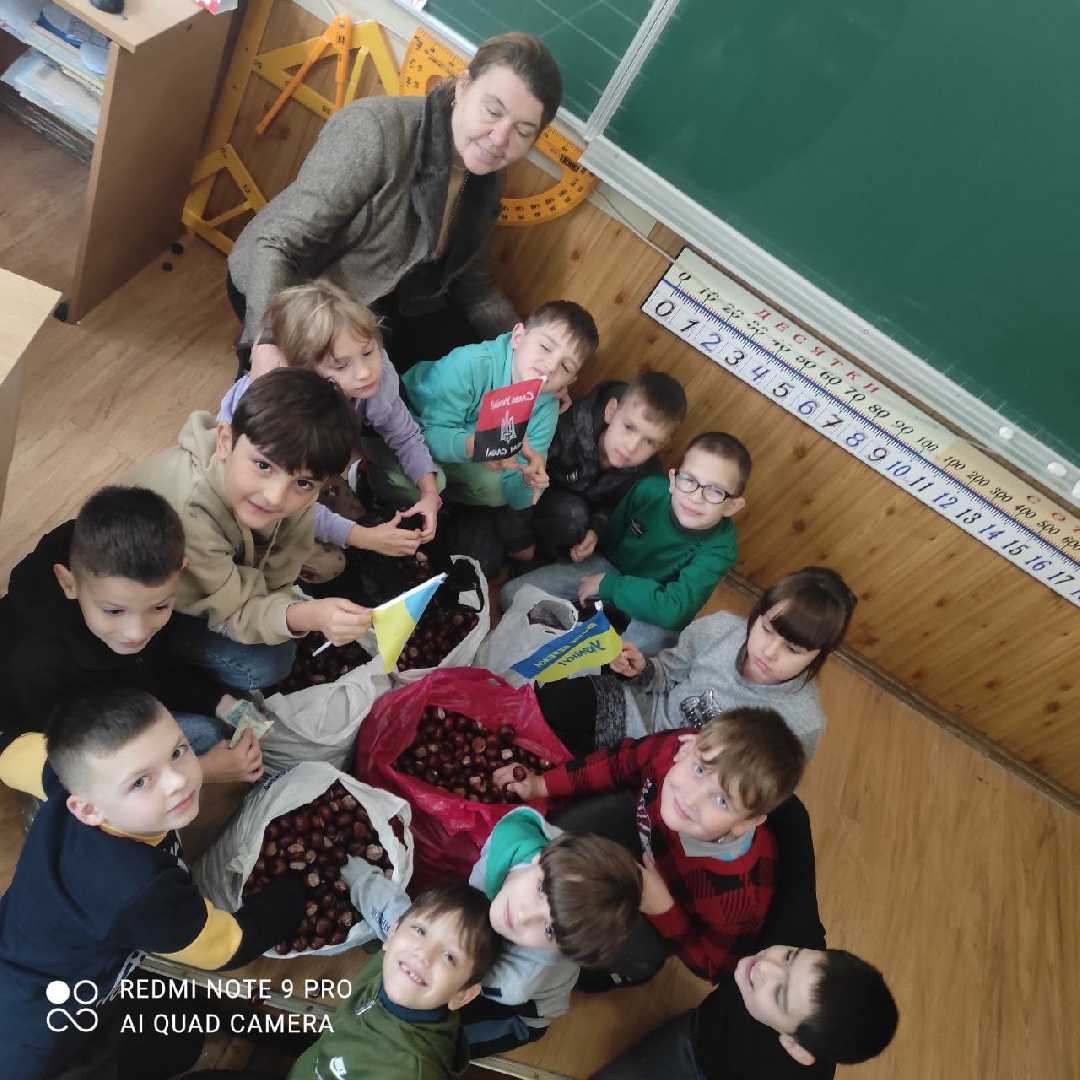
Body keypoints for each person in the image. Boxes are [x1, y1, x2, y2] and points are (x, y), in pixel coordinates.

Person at [0, 688, 306, 1080]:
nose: (178, 781)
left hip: (23, 953)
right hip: (46, 1039)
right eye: (140, 782)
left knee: (171, 1031)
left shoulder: (68, 778)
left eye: (177, 751)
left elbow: (12, 754)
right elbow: (228, 947)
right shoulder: (141, 891)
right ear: (87, 809)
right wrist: (294, 893)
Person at [225, 32, 562, 375]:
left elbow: (475, 289)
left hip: (392, 298)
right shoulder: (375, 130)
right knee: (330, 399)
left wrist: (527, 355)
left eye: (523, 132)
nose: (500, 138)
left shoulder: (488, 176)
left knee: (478, 371)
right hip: (296, 284)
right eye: (492, 111)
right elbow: (276, 244)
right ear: (463, 87)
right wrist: (268, 341)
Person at [590, 798, 899, 1079]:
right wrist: (729, 792)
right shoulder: (796, 929)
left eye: (779, 994)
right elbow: (793, 816)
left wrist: (665, 910)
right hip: (699, 1037)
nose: (765, 966)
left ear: (795, 1047)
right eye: (791, 956)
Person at [499, 708, 805, 985]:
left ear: (746, 823)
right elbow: (618, 762)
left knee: (622, 948)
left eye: (722, 801)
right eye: (699, 770)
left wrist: (662, 907)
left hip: (664, 907)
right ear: (687, 745)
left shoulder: (735, 898)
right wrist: (542, 784)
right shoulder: (671, 750)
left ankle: (620, 973)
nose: (691, 799)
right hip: (637, 831)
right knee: (559, 836)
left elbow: (713, 966)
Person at [122, 368, 372, 691]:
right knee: (268, 663)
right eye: (263, 466)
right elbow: (236, 612)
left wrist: (291, 608)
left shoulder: (295, 497)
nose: (275, 496)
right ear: (225, 441)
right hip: (149, 605)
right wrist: (309, 615)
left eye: (303, 483)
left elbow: (278, 580)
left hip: (217, 575)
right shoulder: (188, 514)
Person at [0, 486, 262, 784]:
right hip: (41, 726)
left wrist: (220, 702)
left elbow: (155, 666)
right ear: (69, 584)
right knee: (204, 737)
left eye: (160, 606)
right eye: (113, 611)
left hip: (105, 689)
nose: (137, 632)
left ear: (180, 571)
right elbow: (70, 758)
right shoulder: (39, 661)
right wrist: (201, 771)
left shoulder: (132, 593)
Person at [341, 807, 642, 1058]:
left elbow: (442, 967)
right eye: (542, 889)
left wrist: (364, 885)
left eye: (550, 929)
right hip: (492, 951)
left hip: (514, 1013)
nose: (523, 915)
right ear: (541, 857)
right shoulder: (517, 834)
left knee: (438, 1043)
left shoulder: (515, 981)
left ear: (563, 949)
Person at [534, 566, 857, 757]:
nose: (769, 652)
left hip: (682, 778)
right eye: (767, 629)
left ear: (819, 654)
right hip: (641, 719)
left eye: (793, 649)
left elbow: (762, 787)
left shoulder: (801, 723)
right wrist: (642, 670)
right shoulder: (721, 628)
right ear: (757, 614)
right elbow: (665, 674)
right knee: (556, 700)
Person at [221, 279, 443, 555]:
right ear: (307, 371)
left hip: (303, 467)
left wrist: (430, 493)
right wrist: (363, 537)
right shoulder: (284, 417)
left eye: (368, 352)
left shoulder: (375, 379)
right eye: (340, 365)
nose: (364, 372)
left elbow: (405, 433)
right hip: (251, 501)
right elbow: (282, 503)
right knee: (327, 560)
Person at [501, 431, 749, 655]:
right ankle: (582, 623)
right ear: (673, 480)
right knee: (511, 595)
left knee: (627, 654)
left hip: (656, 606)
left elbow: (675, 610)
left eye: (715, 491)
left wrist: (610, 586)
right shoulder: (648, 491)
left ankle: (584, 645)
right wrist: (592, 544)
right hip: (609, 571)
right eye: (689, 480)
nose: (695, 497)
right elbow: (610, 537)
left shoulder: (721, 548)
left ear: (732, 506)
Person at [398, 300, 598, 577]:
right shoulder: (472, 364)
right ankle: (387, 491)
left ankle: (444, 506)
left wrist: (529, 481)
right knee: (435, 478)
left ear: (570, 381)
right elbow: (429, 435)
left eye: (565, 366)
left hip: (466, 457)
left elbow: (514, 495)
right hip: (410, 428)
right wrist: (475, 446)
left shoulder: (546, 408)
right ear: (518, 336)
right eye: (545, 347)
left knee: (495, 490)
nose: (551, 366)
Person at [287, 882, 500, 1079]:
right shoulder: (390, 965)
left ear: (463, 995)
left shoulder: (409, 1072)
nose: (423, 954)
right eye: (420, 931)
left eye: (449, 957)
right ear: (393, 934)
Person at [527, 371, 688, 563]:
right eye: (629, 427)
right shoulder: (568, 425)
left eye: (650, 442)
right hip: (523, 503)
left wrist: (596, 530)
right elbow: (520, 475)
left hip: (566, 522)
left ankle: (535, 561)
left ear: (661, 446)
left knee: (575, 518)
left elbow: (614, 506)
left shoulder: (646, 474)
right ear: (611, 411)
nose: (632, 447)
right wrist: (519, 540)